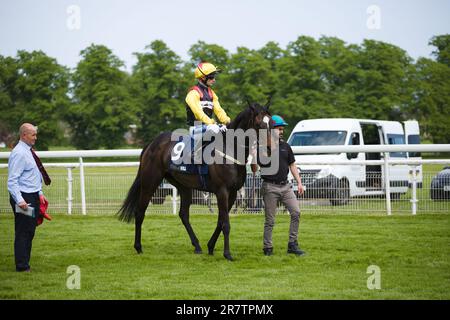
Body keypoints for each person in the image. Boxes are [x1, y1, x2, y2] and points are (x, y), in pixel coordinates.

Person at [253, 115, 306, 256]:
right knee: (270, 220)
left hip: (286, 187)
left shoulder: (286, 146)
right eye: (279, 129)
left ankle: (292, 245)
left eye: (282, 129)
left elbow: (292, 165)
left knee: (296, 213)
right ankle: (267, 248)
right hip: (270, 187)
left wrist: (299, 182)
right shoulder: (262, 147)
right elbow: (255, 167)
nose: (282, 131)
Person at [7, 123, 51, 272]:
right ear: (24, 135)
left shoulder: (28, 151)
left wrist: (39, 193)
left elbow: (32, 175)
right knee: (23, 231)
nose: (35, 138)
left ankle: (25, 262)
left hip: (32, 195)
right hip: (24, 197)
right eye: (33, 135)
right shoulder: (19, 153)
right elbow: (12, 181)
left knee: (29, 230)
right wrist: (20, 200)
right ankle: (22, 266)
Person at [185, 62, 231, 135]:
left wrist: (228, 122)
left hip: (209, 127)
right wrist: (213, 123)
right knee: (215, 128)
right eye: (211, 77)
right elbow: (198, 113)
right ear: (203, 77)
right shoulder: (193, 93)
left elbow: (219, 111)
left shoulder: (212, 93)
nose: (214, 80)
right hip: (195, 129)